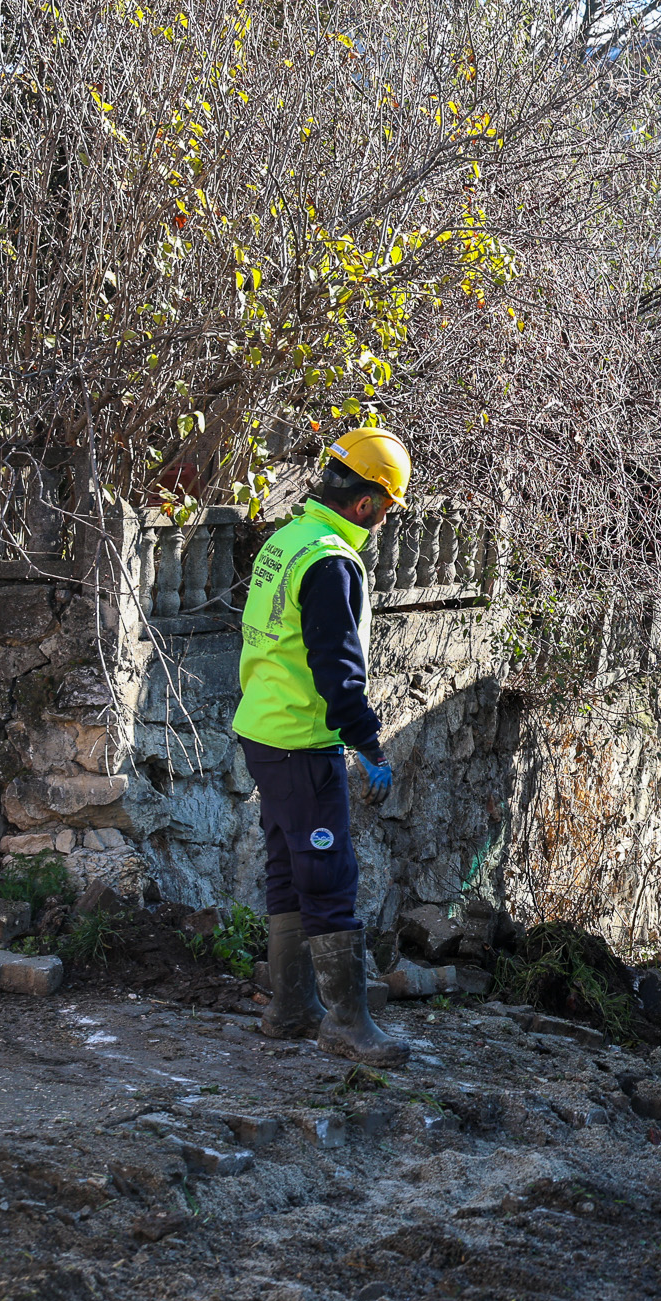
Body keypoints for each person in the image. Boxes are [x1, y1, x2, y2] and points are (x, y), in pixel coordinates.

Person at [235, 428, 411, 1066]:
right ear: (366, 503)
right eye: (387, 508)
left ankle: (289, 1010)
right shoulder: (331, 561)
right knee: (328, 875)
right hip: (303, 743)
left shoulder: (287, 540)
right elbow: (338, 671)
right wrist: (370, 745)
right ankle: (345, 1023)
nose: (385, 520)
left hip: (262, 730)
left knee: (287, 868)